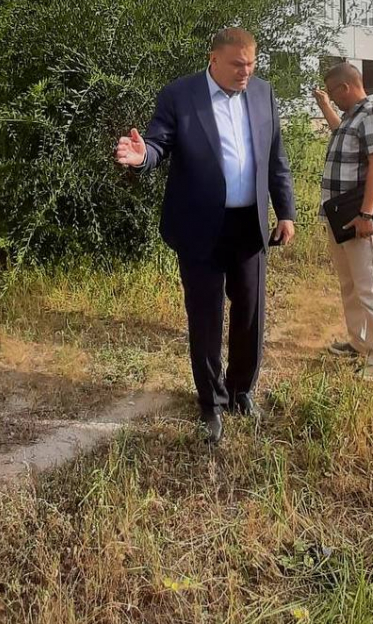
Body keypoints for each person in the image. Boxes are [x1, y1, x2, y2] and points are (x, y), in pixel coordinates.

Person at [115, 28, 296, 443]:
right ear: (213, 58)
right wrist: (143, 157)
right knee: (205, 316)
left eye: (251, 64)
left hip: (248, 224)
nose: (245, 72)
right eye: (237, 64)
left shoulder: (263, 94)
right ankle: (210, 403)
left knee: (250, 312)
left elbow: (276, 157)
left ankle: (241, 390)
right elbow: (158, 144)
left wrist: (285, 210)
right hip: (200, 227)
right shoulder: (180, 95)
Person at [312, 63, 373, 380]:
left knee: (371, 290)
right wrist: (323, 105)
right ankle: (359, 343)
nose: (333, 99)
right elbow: (340, 131)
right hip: (341, 217)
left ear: (345, 87)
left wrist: (367, 214)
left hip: (362, 220)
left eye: (333, 93)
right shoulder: (352, 117)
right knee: (350, 285)